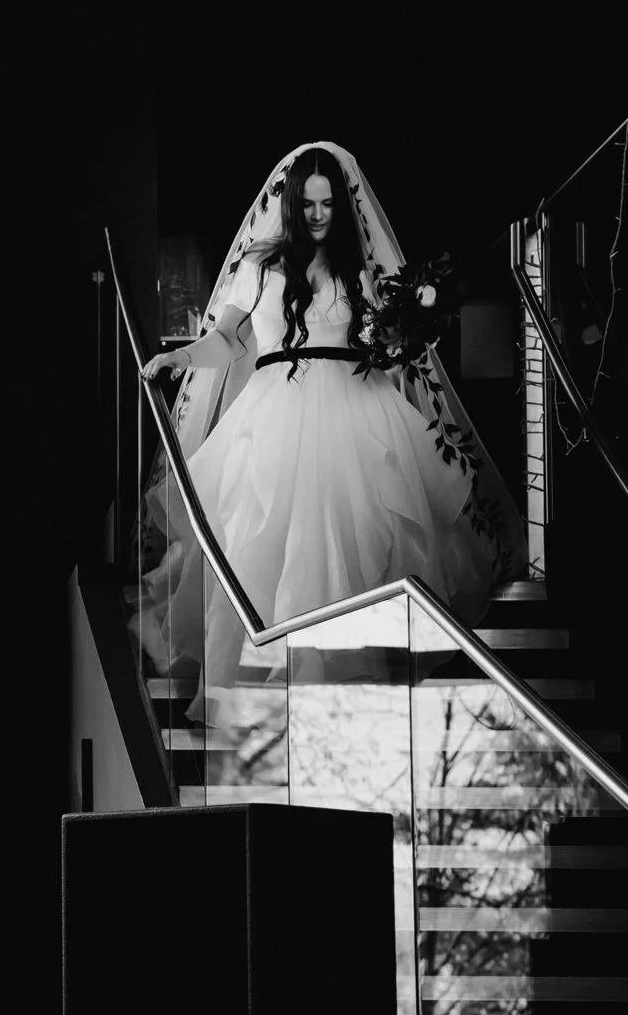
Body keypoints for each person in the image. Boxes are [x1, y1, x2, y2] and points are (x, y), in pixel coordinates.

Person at [135, 142, 525, 725]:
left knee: (357, 540)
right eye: (308, 204)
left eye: (328, 204)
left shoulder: (357, 272)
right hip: (275, 414)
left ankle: (342, 692)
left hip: (353, 408)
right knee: (264, 540)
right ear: (291, 204)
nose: (318, 215)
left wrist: (401, 333)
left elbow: (381, 345)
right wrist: (179, 358)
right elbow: (227, 341)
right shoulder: (259, 269)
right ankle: (269, 694)